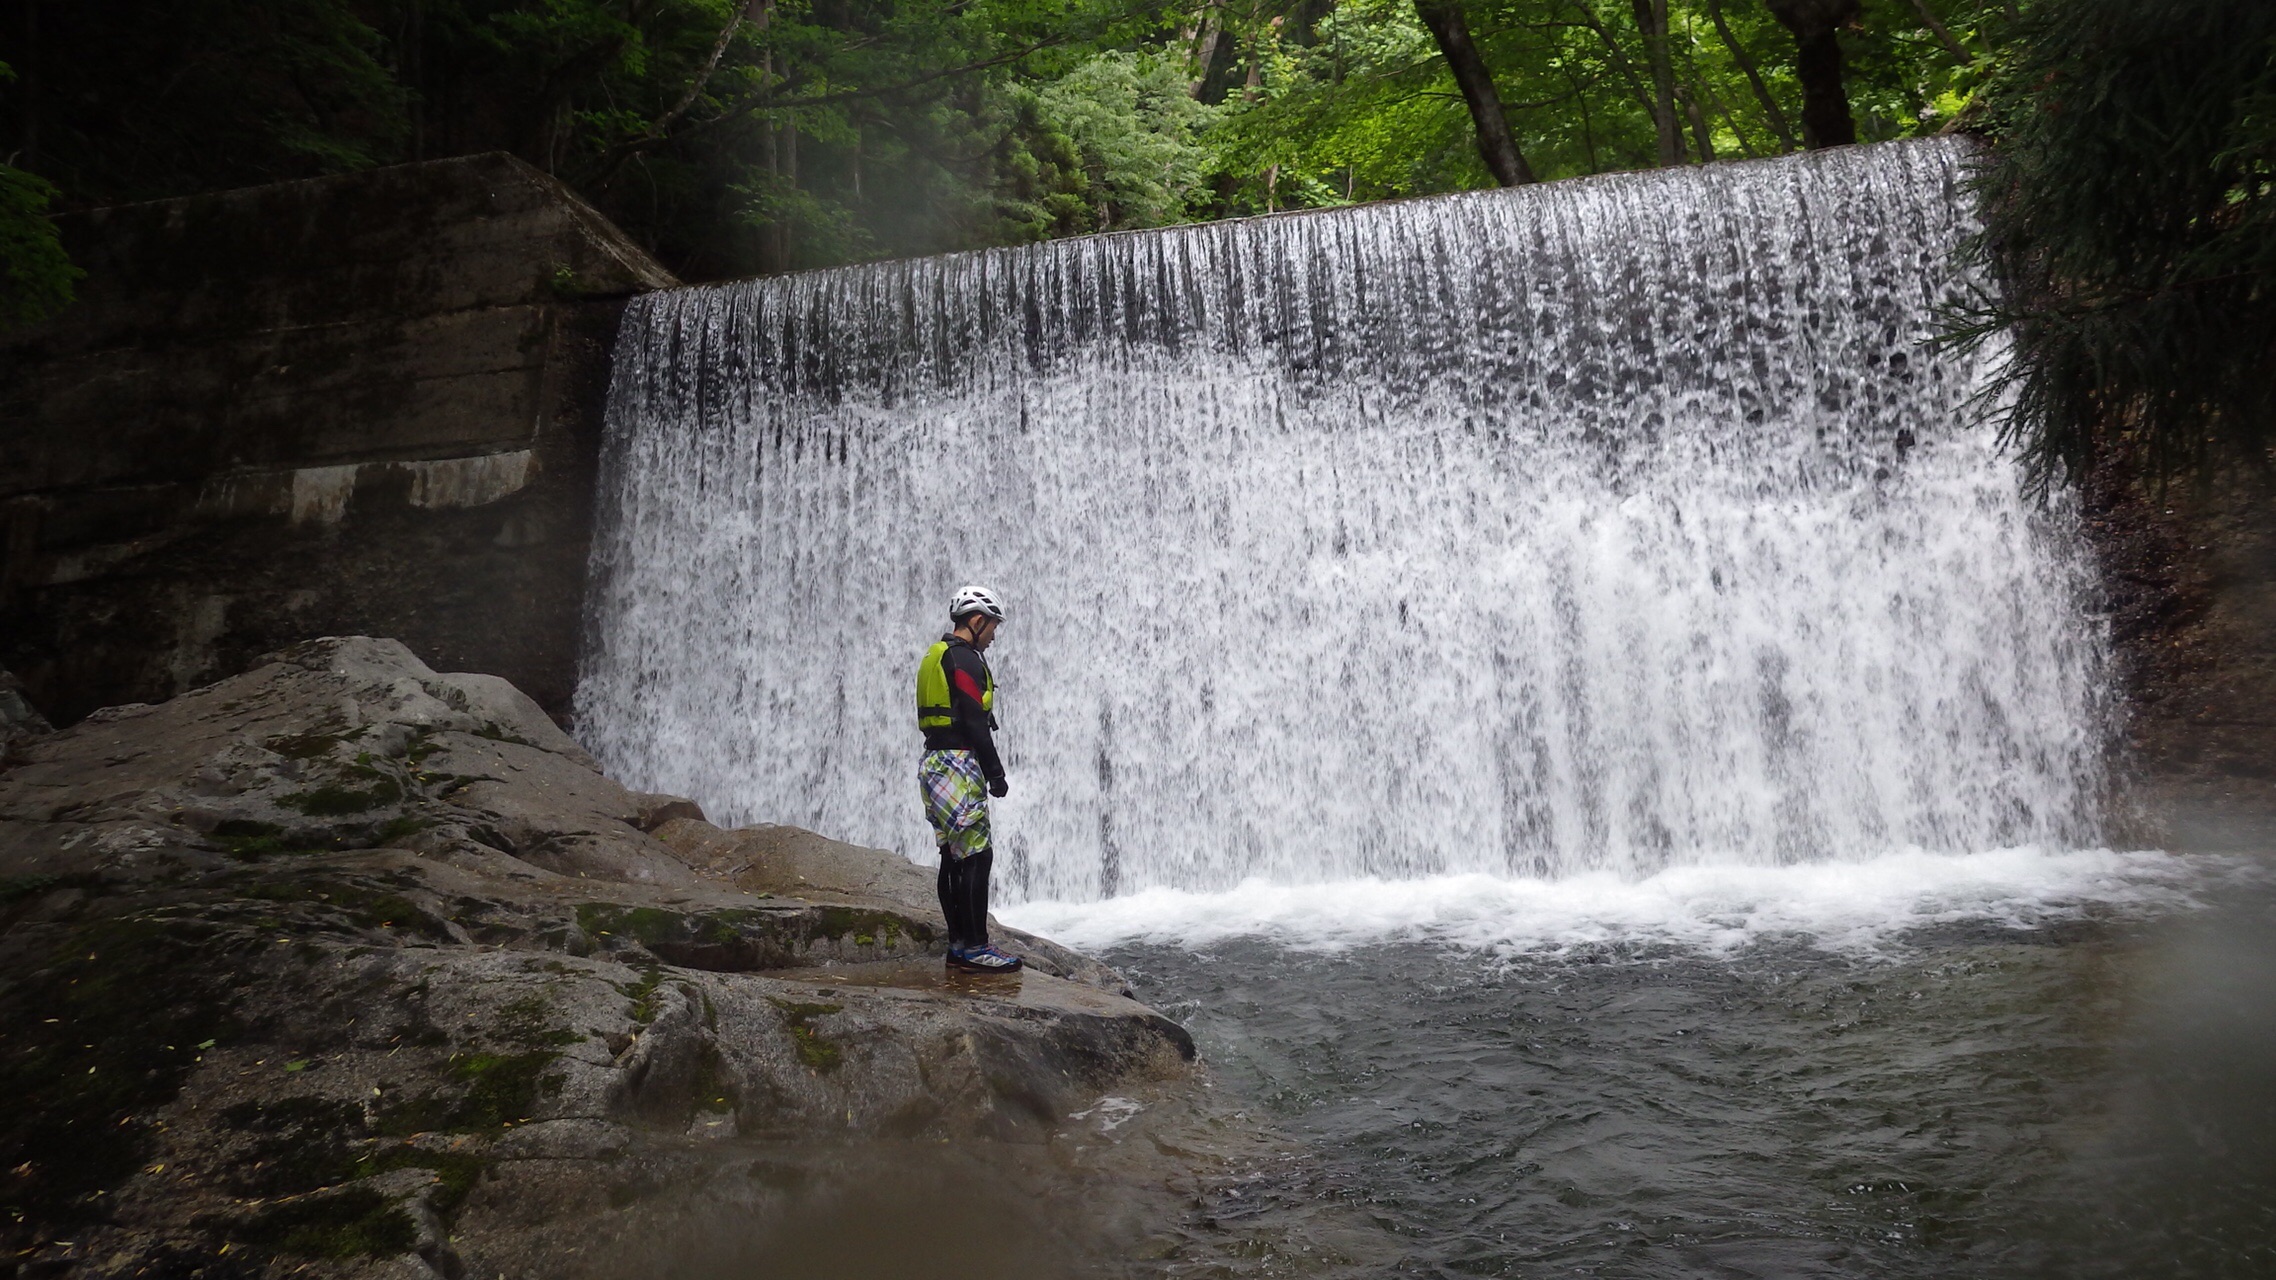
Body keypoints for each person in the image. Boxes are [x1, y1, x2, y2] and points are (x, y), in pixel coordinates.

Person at [915, 584, 1022, 973]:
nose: (994, 635)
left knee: (953, 857)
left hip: (934, 763)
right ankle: (977, 947)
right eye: (993, 626)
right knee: (978, 856)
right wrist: (996, 773)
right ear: (976, 621)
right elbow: (976, 722)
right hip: (959, 764)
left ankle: (958, 944)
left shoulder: (936, 655)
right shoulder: (964, 659)